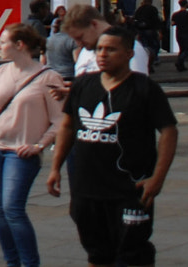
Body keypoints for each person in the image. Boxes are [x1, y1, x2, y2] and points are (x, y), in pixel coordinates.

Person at [46, 27, 177, 267]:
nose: (103, 54)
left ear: (129, 53)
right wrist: (56, 168)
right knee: (97, 252)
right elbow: (67, 126)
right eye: (100, 49)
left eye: (111, 49)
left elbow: (169, 131)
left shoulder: (145, 89)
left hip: (129, 189)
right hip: (87, 189)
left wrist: (157, 178)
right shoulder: (83, 84)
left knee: (133, 253)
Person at [0, 23, 66, 267]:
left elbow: (60, 121)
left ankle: (30, 264)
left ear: (20, 45)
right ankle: (12, 262)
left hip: (21, 152)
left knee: (13, 209)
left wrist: (39, 145)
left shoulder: (48, 77)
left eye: (3, 41)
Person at [46, 4, 88, 81]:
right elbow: (77, 60)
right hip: (68, 75)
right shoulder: (71, 40)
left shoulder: (48, 40)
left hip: (50, 75)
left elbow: (43, 60)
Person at [132, 0, 164, 72]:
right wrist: (159, 31)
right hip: (151, 30)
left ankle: (146, 63)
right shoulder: (153, 9)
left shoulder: (139, 9)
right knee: (153, 47)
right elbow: (156, 21)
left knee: (144, 47)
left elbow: (135, 20)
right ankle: (152, 62)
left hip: (141, 31)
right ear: (151, 1)